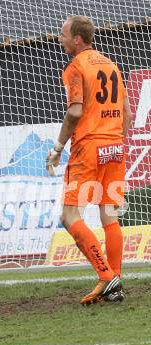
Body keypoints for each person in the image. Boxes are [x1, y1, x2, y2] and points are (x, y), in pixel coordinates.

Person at [46, 16, 132, 305]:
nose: (60, 39)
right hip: (115, 146)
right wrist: (116, 141)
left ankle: (107, 277)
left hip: (89, 147)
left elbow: (74, 113)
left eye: (63, 34)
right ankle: (115, 281)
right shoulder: (111, 65)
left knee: (69, 216)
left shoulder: (75, 67)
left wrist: (58, 148)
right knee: (110, 215)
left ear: (77, 39)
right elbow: (127, 113)